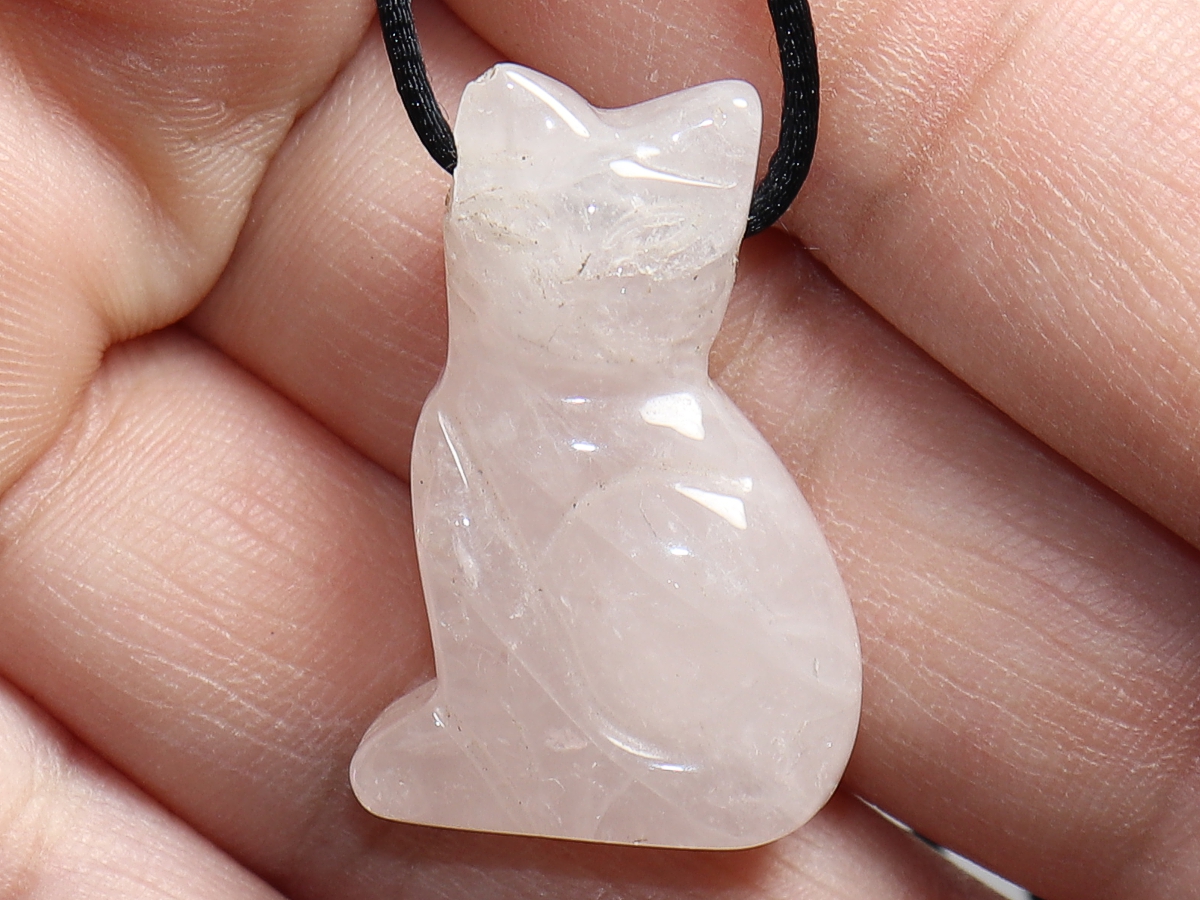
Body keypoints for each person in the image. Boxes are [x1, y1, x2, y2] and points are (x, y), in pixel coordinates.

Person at [0, 0, 1194, 897]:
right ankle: (525, 749)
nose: (575, 298)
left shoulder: (614, 432)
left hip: (731, 749)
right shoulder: (485, 408)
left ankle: (555, 754)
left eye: (635, 276)